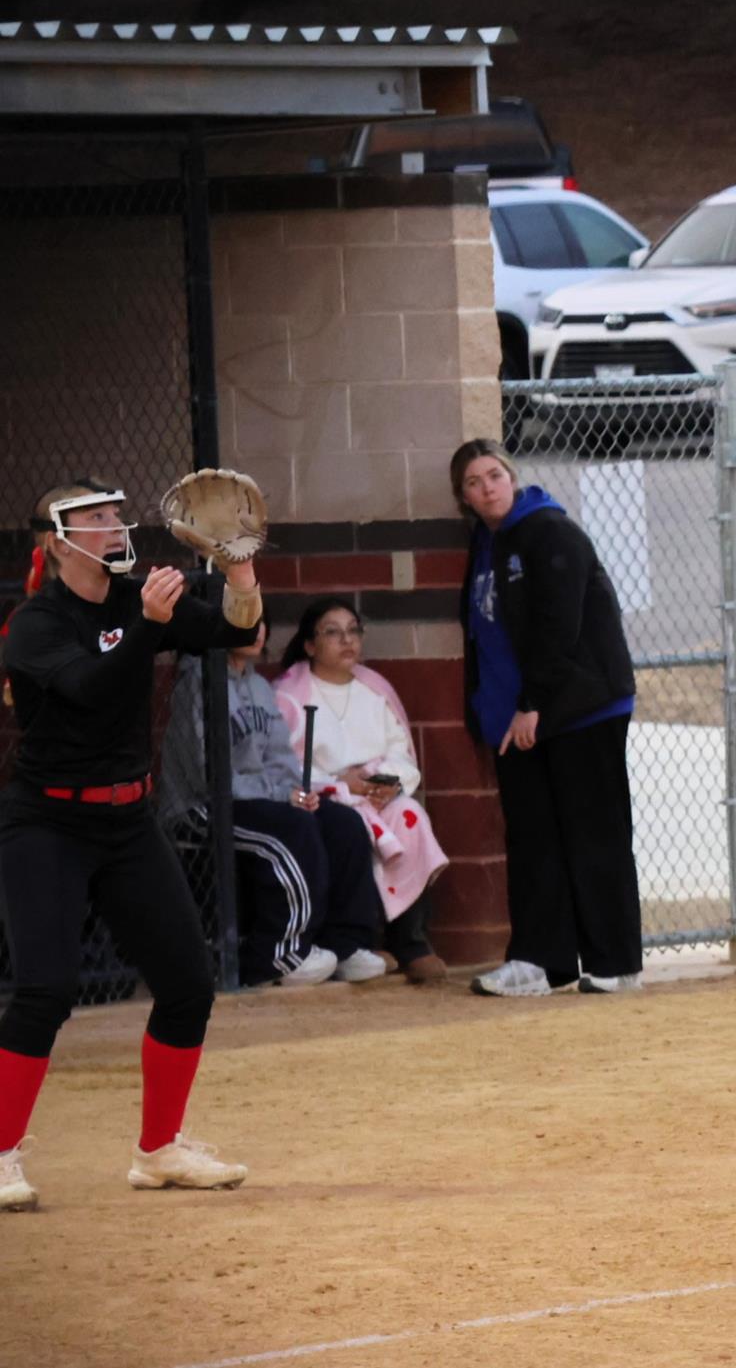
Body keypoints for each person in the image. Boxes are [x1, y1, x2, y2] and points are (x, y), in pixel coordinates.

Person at [1, 480, 258, 1210]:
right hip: (46, 822)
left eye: (116, 514)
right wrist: (150, 624)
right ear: (58, 539)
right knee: (45, 991)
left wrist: (240, 573)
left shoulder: (136, 597)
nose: (116, 525)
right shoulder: (36, 623)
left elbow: (239, 632)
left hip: (127, 820)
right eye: (97, 517)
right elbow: (90, 689)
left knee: (187, 984)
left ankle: (159, 1150)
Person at [452, 439, 643, 998]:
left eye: (494, 474)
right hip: (518, 721)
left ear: (511, 478)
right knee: (535, 841)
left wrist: (533, 703)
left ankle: (615, 962)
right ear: (462, 496)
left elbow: (559, 626)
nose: (487, 487)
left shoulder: (548, 532)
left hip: (579, 709)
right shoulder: (486, 543)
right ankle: (541, 961)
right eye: (473, 482)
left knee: (594, 834)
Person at [158, 620, 387, 988]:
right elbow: (208, 777)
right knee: (291, 826)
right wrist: (282, 797)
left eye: (261, 618)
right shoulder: (196, 686)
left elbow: (280, 757)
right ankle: (279, 956)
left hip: (259, 800)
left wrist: (299, 791)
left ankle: (343, 945)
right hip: (201, 807)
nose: (258, 628)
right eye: (245, 617)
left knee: (341, 822)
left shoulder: (259, 686)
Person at [272, 599, 449, 985]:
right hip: (324, 797)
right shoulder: (288, 694)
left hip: (376, 795)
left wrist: (384, 782)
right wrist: (340, 785)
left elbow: (401, 753)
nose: (346, 640)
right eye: (333, 632)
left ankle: (411, 942)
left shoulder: (376, 690)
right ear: (310, 645)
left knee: (410, 818)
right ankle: (360, 944)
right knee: (348, 826)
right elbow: (282, 764)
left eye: (353, 630)